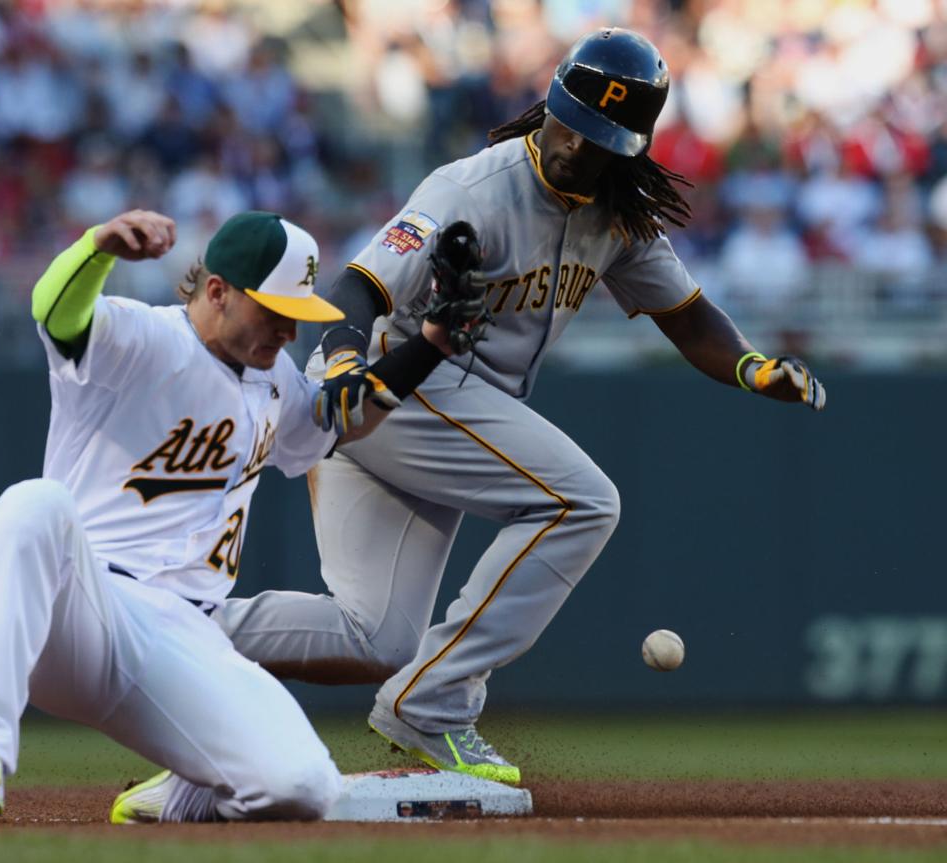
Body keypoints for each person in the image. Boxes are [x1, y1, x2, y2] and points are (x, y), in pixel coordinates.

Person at [216, 28, 826, 785]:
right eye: (566, 118)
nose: (572, 142)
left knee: (372, 637)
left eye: (596, 135)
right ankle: (434, 702)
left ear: (630, 145)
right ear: (550, 103)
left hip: (450, 410)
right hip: (392, 384)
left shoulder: (619, 214)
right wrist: (342, 357)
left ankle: (173, 633)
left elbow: (690, 316)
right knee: (582, 501)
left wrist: (749, 365)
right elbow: (360, 287)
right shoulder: (469, 188)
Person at [0, 208, 460, 824]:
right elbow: (55, 312)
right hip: (82, 608)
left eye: (297, 318)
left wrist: (429, 346)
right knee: (33, 504)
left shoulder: (275, 381)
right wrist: (96, 246)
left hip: (183, 638)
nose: (288, 334)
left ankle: (180, 797)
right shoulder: (143, 338)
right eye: (275, 314)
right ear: (218, 291)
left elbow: (338, 419)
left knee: (303, 786)